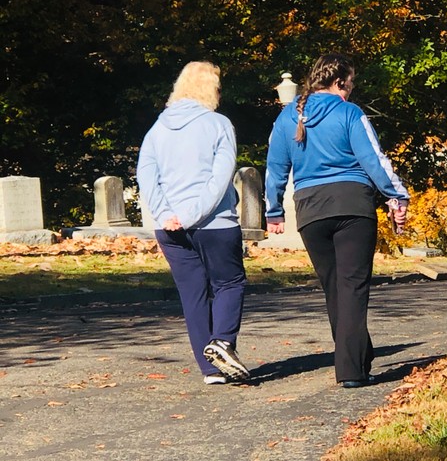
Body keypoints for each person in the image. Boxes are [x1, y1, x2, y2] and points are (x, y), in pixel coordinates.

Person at [264, 53, 409, 388]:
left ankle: (357, 357)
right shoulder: (349, 113)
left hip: (310, 211)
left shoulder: (287, 117)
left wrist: (273, 210)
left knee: (335, 288)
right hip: (352, 206)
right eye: (351, 84)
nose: (352, 90)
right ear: (341, 82)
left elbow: (275, 168)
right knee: (353, 287)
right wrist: (396, 195)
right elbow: (373, 160)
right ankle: (352, 370)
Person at [137, 61, 250, 385]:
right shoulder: (218, 124)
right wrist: (191, 216)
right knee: (229, 283)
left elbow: (147, 175)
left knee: (193, 294)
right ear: (210, 89)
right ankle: (222, 342)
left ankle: (211, 370)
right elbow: (219, 178)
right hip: (214, 223)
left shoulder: (156, 129)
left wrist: (166, 214)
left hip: (169, 227)